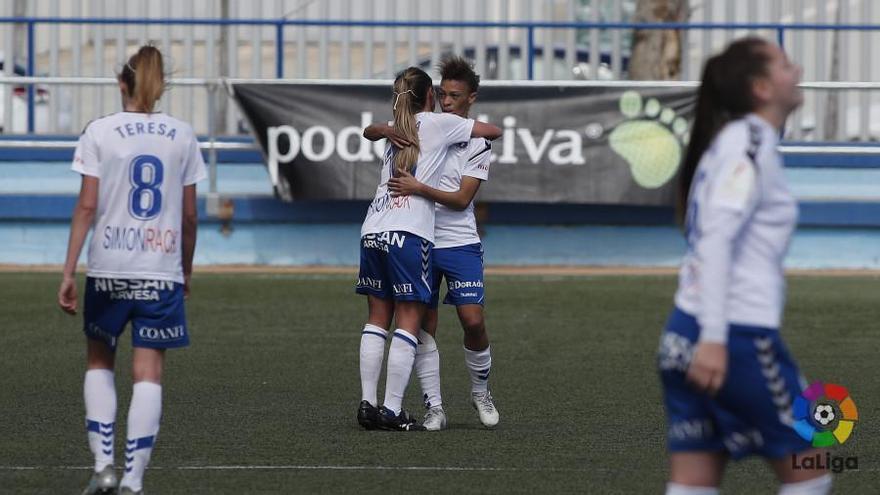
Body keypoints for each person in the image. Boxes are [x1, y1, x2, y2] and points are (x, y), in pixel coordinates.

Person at [658, 37, 831, 495]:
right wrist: (715, 340)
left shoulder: (733, 144)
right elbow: (716, 240)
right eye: (784, 64)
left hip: (683, 332)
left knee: (695, 478)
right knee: (812, 466)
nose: (796, 70)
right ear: (761, 87)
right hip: (733, 338)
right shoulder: (748, 145)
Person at [58, 45, 205, 495]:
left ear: (121, 83)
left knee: (100, 362)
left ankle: (104, 466)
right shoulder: (182, 135)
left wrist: (68, 272)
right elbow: (189, 217)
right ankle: (133, 481)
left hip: (109, 264)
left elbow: (86, 205)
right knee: (148, 373)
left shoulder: (99, 131)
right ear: (159, 88)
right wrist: (185, 269)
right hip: (159, 268)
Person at [356, 66, 501, 431]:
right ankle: (433, 406)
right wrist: (385, 129)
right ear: (433, 95)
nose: (448, 101)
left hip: (458, 240)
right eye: (443, 94)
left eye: (455, 96)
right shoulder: (423, 124)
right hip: (419, 237)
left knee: (472, 320)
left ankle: (480, 391)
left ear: (471, 98)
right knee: (422, 325)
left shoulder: (470, 138)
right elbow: (373, 130)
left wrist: (419, 187)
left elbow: (462, 199)